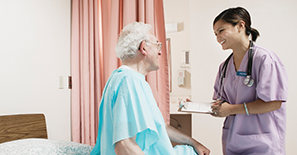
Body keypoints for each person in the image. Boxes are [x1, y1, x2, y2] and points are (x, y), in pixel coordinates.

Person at [90, 22, 210, 155]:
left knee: (192, 150)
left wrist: (193, 142)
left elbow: (160, 126)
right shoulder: (128, 81)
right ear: (144, 48)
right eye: (157, 45)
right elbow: (124, 145)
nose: (160, 52)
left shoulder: (129, 79)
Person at [211, 7, 288, 155]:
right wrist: (199, 106)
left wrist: (231, 109)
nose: (217, 37)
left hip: (263, 143)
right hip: (233, 142)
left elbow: (274, 102)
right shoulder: (225, 67)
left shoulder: (265, 59)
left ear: (241, 25)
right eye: (215, 33)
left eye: (221, 30)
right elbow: (222, 102)